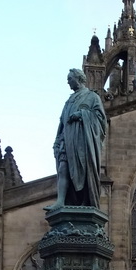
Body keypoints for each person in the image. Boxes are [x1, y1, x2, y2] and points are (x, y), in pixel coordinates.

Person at [47, 68, 107, 212]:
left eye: (69, 79)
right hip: (67, 140)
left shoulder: (92, 97)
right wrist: (57, 140)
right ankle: (61, 201)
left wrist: (82, 114)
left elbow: (101, 120)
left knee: (85, 172)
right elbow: (62, 122)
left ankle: (85, 201)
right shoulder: (69, 100)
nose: (68, 82)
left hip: (83, 143)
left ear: (78, 78)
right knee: (63, 168)